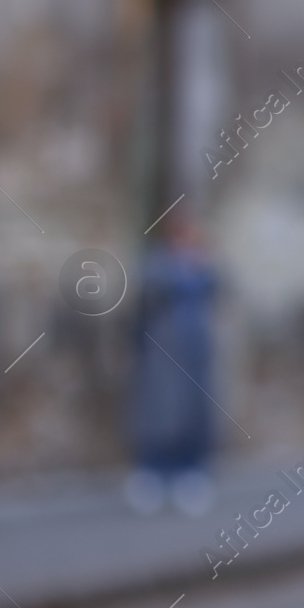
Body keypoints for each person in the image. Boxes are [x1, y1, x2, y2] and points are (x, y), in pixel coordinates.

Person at [122, 207, 220, 517]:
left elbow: (220, 287)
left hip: (194, 362)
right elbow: (147, 294)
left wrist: (199, 267)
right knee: (158, 416)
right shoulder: (157, 267)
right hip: (162, 361)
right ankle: (153, 473)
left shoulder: (204, 268)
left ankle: (190, 473)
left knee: (192, 417)